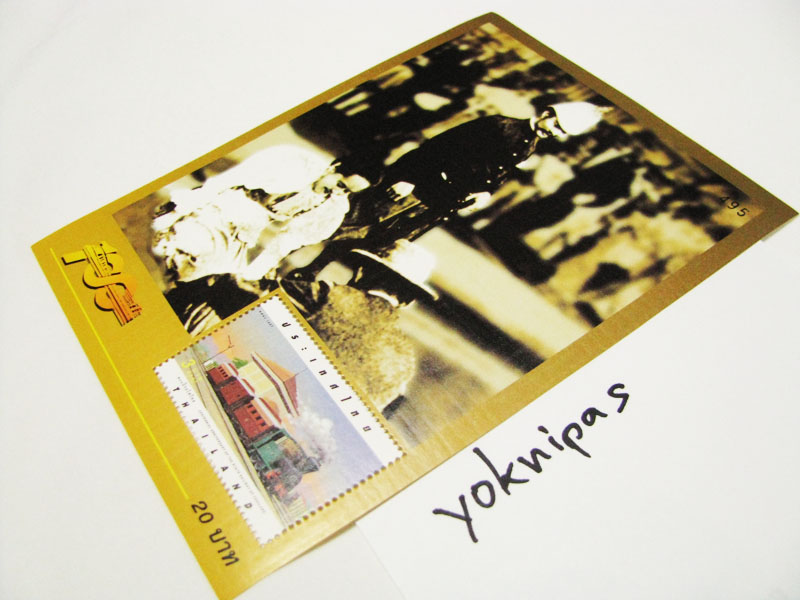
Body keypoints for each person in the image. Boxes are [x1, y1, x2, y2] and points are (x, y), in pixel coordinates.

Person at [288, 101, 609, 279]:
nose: (555, 132)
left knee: (382, 242)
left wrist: (486, 193)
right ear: (547, 113)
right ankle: (288, 256)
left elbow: (495, 174)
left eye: (561, 132)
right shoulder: (499, 126)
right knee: (355, 224)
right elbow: (440, 147)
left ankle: (315, 275)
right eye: (556, 124)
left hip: (442, 202)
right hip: (419, 185)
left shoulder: (529, 145)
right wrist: (409, 178)